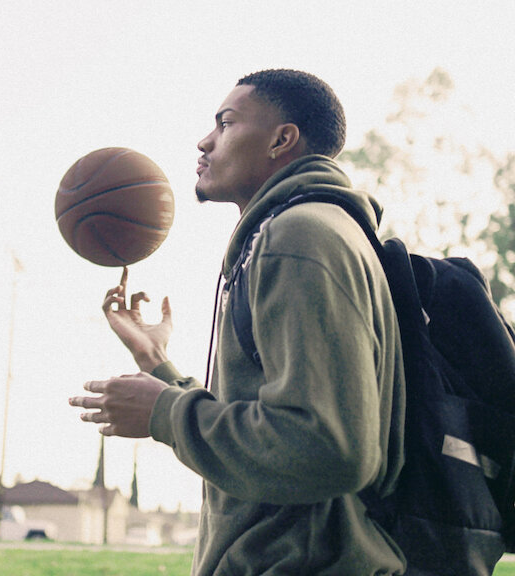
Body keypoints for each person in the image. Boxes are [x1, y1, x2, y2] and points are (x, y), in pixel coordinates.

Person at [69, 69, 407, 575]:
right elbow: (273, 423)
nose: (205, 141)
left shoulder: (300, 237)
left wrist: (165, 413)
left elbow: (331, 447)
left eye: (226, 123)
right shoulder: (300, 231)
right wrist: (157, 364)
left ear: (281, 140)